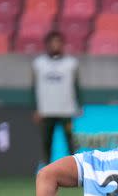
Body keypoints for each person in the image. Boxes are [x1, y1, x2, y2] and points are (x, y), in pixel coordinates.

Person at [32, 31, 81, 166]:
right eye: (52, 42)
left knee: (70, 141)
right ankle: (46, 171)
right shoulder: (39, 63)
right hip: (46, 110)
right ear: (47, 45)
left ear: (62, 44)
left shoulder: (71, 63)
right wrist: (36, 108)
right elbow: (34, 87)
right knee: (47, 142)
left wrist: (79, 104)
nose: (55, 45)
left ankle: (75, 170)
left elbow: (76, 85)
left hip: (66, 110)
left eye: (58, 42)